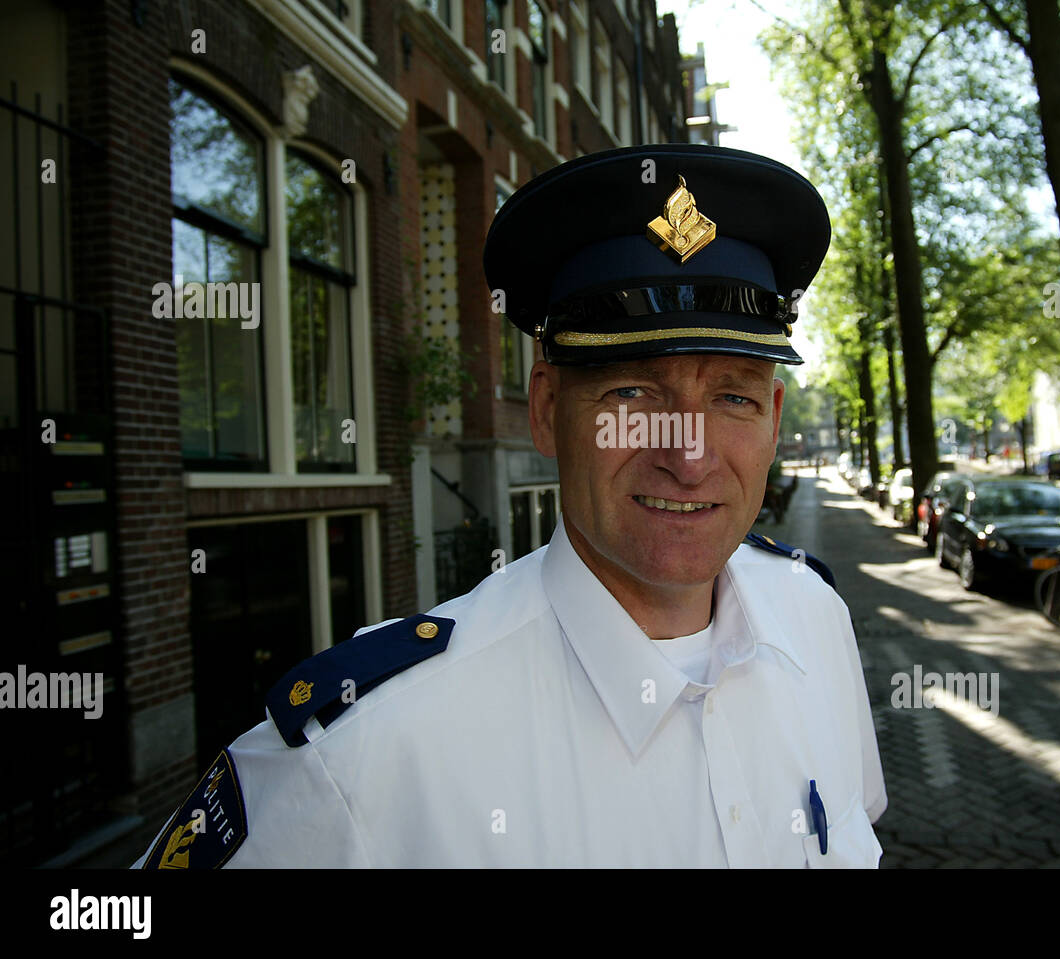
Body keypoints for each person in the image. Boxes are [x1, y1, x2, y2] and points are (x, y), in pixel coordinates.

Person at [133, 144, 887, 868]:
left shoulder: (816, 619)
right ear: (547, 407)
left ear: (776, 419)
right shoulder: (364, 758)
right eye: (632, 392)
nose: (688, 457)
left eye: (731, 397)